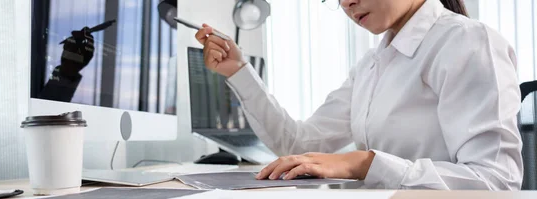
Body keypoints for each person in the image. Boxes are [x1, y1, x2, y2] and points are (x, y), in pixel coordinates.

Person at [195, 0, 523, 190]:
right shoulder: (373, 64)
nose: (345, 3)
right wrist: (239, 70)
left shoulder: (467, 42)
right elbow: (300, 146)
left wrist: (365, 163)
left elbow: (496, 184)